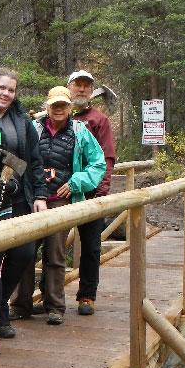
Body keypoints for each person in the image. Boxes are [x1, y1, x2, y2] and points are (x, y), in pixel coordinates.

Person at [12, 87, 106, 325]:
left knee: (55, 253)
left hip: (62, 201)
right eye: (55, 105)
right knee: (26, 253)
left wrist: (76, 183)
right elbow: (18, 158)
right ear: (48, 107)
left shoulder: (80, 132)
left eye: (63, 105)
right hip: (34, 199)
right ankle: (21, 304)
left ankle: (54, 305)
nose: (59, 109)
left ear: (70, 107)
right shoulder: (34, 129)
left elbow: (98, 164)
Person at [0, 68, 48, 348]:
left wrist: (39, 193)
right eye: (1, 88)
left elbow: (32, 158)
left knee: (23, 253)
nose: (5, 93)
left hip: (17, 196)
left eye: (11, 90)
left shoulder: (21, 120)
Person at [68, 70, 117, 316]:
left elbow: (107, 159)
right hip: (61, 193)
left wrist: (100, 191)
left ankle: (87, 295)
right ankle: (48, 294)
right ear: (69, 87)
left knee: (90, 247)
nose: (82, 90)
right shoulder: (57, 116)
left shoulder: (99, 120)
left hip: (90, 194)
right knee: (51, 245)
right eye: (78, 85)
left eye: (87, 86)